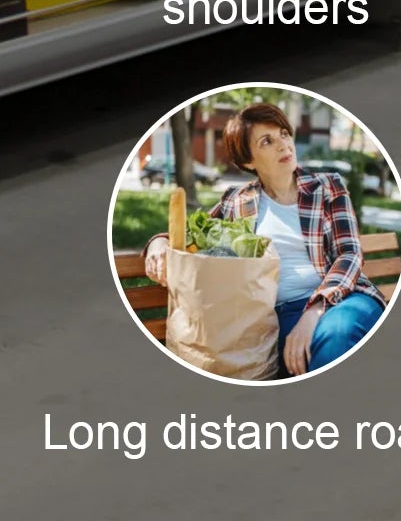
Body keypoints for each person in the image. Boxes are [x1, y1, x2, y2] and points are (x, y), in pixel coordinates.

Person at [144, 103, 387, 378]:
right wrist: (158, 243)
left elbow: (349, 254)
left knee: (338, 332)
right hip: (278, 317)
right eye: (267, 141)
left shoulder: (329, 186)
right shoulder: (237, 201)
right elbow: (191, 237)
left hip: (342, 300)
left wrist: (315, 310)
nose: (283, 145)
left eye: (284, 134)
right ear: (248, 160)